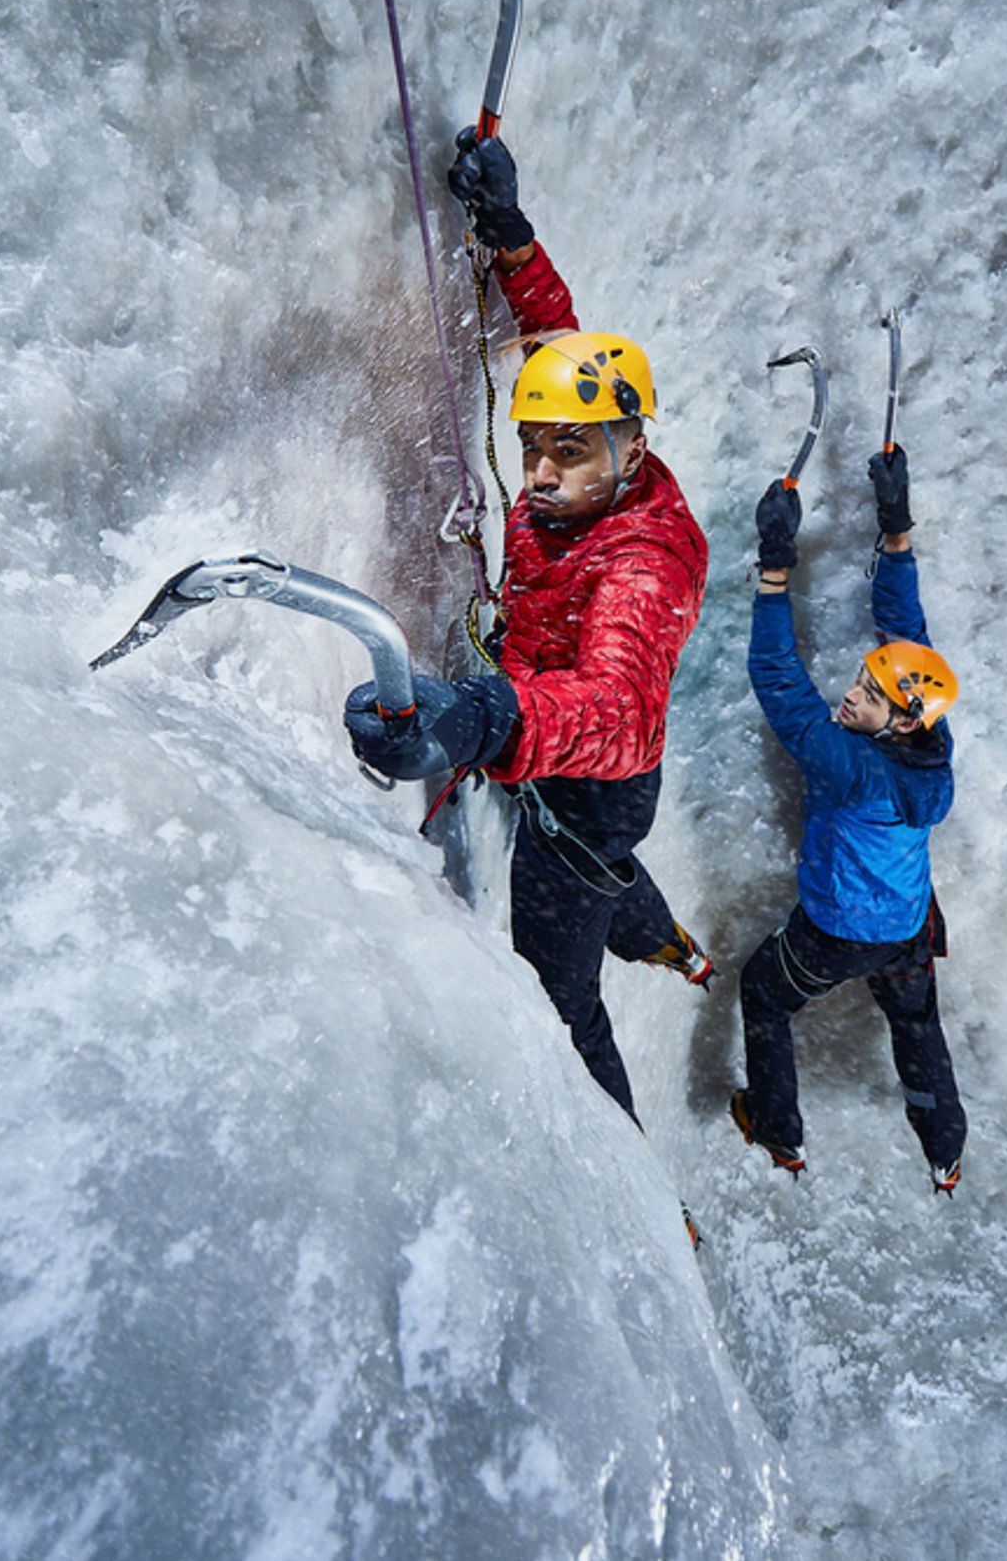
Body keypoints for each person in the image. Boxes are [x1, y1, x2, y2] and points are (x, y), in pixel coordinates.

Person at [344, 131, 712, 1127]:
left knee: (558, 990)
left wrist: (486, 716)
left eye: (569, 453)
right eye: (532, 446)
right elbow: (559, 340)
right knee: (602, 881)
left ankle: (629, 1184)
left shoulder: (647, 557)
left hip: (592, 780)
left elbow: (622, 709)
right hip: (558, 756)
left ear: (633, 445)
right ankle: (667, 942)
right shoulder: (590, 453)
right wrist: (510, 237)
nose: (541, 473)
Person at [732, 443, 968, 1193]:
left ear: (897, 722)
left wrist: (775, 567)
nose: (851, 694)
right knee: (916, 1023)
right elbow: (907, 631)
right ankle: (945, 1151)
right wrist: (896, 530)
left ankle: (780, 1134)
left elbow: (777, 678)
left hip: (836, 935)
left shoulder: (847, 764)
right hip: (906, 924)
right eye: (864, 680)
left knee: (764, 997)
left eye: (868, 695)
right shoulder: (930, 737)